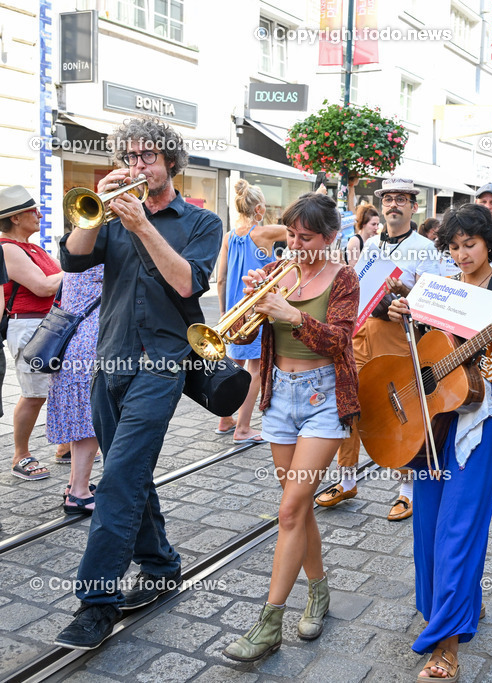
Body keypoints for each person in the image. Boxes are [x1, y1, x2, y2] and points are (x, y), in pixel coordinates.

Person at [53, 116, 222, 649]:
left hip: (162, 364)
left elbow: (186, 282)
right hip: (109, 361)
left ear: (170, 160)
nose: (137, 165)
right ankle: (160, 563)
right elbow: (73, 260)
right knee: (130, 471)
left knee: (119, 479)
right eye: (129, 157)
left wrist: (142, 226)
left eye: (147, 156)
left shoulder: (200, 222)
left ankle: (95, 604)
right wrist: (95, 211)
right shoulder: (111, 212)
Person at [387, 203, 492, 682]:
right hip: (430, 420)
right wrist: (401, 313)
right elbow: (416, 352)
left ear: (490, 243)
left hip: (478, 422)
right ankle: (455, 607)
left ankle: (446, 648)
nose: (462, 255)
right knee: (429, 530)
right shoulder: (440, 288)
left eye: (471, 244)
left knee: (459, 530)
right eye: (454, 246)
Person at [221, 192, 358, 661]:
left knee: (290, 509)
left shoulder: (344, 278)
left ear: (330, 236)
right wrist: (253, 304)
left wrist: (292, 315)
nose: (296, 246)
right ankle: (318, 591)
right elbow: (242, 337)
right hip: (280, 397)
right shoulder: (280, 273)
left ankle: (268, 623)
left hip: (323, 399)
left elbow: (340, 342)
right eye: (291, 236)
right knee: (297, 511)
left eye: (307, 238)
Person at [315, 178, 439, 516]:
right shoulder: (370, 245)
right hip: (361, 332)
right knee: (348, 403)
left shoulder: (425, 249)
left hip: (398, 335)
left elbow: (430, 303)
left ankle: (407, 488)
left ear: (414, 206)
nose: (394, 205)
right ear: (381, 205)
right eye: (388, 199)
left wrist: (405, 294)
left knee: (399, 410)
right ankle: (347, 478)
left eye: (402, 199)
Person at [214, 179, 286, 443]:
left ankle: (225, 419)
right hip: (255, 311)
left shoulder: (228, 237)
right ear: (258, 208)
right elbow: (297, 229)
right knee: (254, 370)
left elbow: (220, 279)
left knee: (234, 366)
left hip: (233, 310)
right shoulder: (263, 233)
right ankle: (243, 428)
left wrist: (223, 312)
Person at [1, 185, 63, 481]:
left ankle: (65, 445)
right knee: (35, 394)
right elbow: (43, 286)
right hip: (29, 326)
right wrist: (80, 268)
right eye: (32, 210)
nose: (39, 214)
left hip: (50, 324)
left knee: (61, 388)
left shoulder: (32, 247)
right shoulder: (6, 248)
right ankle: (20, 454)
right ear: (14, 218)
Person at [46, 265, 104, 514]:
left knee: (81, 423)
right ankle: (79, 494)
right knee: (88, 425)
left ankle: (75, 485)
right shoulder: (101, 264)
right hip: (88, 346)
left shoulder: (78, 258)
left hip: (71, 344)